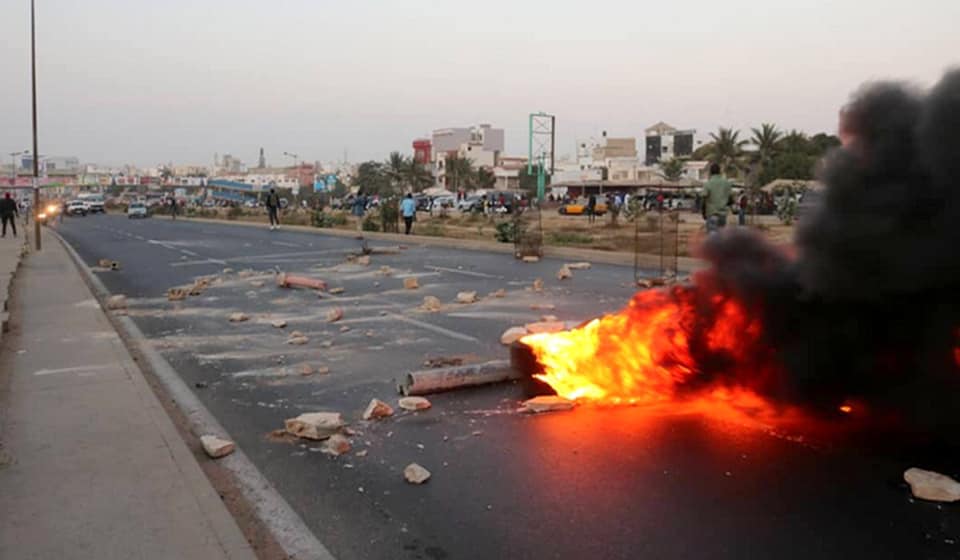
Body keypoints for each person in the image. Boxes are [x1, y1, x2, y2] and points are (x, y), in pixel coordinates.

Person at [702, 163, 732, 234]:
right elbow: (731, 200)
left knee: (712, 239)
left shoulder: (708, 184)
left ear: (710, 172)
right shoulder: (727, 183)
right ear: (720, 171)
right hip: (723, 215)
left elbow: (704, 199)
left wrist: (703, 212)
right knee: (721, 238)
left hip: (712, 214)